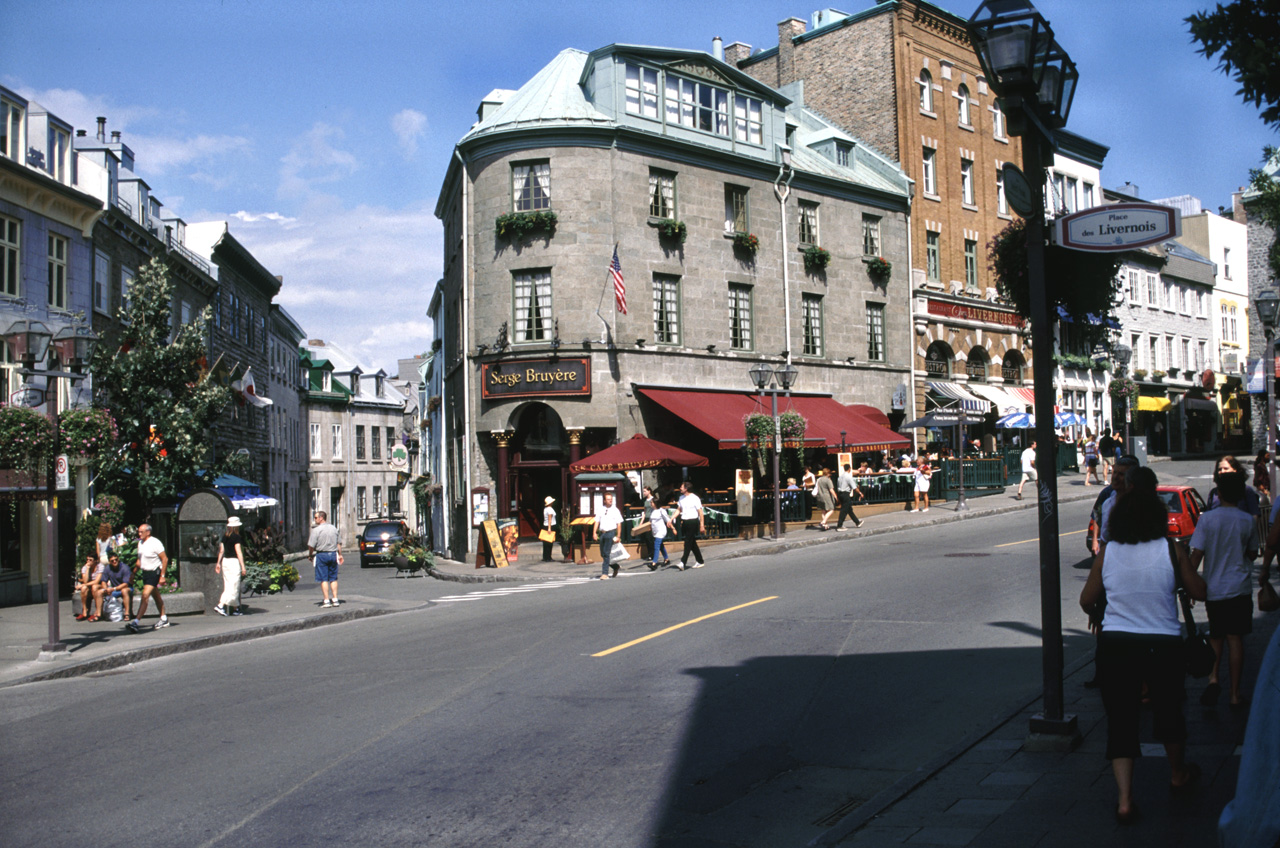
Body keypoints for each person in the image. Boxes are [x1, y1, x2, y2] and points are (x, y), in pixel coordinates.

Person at [1079, 466, 1207, 825]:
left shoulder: (1109, 552)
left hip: (1117, 645)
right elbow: (1198, 591)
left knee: (1121, 720)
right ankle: (1178, 773)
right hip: (1163, 644)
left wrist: (1100, 609)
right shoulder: (1171, 550)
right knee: (1168, 713)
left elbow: (1086, 598)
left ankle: (1124, 799)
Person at [1189, 470, 1259, 709]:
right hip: (1239, 587)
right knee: (1235, 639)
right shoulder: (1247, 520)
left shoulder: (1207, 520)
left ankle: (1213, 678)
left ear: (1218, 493)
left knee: (1216, 636)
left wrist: (1188, 583)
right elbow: (1252, 553)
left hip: (1214, 589)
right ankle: (1235, 694)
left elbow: (1196, 554)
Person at [127, 523, 169, 632]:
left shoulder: (155, 542)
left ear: (148, 532)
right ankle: (164, 618)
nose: (139, 534)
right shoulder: (140, 543)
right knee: (156, 596)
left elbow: (165, 559)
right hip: (145, 573)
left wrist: (162, 576)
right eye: (139, 532)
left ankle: (136, 622)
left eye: (141, 532)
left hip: (154, 572)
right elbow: (139, 560)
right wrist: (133, 573)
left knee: (145, 595)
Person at [307, 510, 343, 607]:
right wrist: (340, 555)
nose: (314, 519)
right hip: (332, 554)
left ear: (321, 518)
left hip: (322, 555)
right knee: (333, 578)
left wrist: (310, 555)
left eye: (315, 517)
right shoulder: (334, 528)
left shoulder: (316, 530)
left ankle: (326, 600)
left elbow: (311, 545)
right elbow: (338, 543)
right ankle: (335, 599)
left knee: (323, 579)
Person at [214, 516, 247, 617]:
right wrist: (243, 566)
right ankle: (220, 605)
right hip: (233, 562)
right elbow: (238, 552)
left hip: (225, 561)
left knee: (229, 584)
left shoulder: (225, 536)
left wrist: (218, 563)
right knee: (234, 586)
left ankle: (236, 608)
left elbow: (221, 551)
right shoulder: (236, 537)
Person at [592, 492, 624, 579]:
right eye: (608, 499)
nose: (610, 501)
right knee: (603, 554)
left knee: (606, 553)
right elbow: (597, 521)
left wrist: (618, 536)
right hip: (602, 533)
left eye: (611, 499)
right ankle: (615, 566)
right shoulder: (600, 509)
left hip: (611, 532)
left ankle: (605, 573)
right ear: (604, 501)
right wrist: (594, 533)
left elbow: (619, 524)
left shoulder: (615, 510)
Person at [677, 481, 705, 570]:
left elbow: (700, 512)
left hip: (693, 521)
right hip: (685, 521)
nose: (680, 488)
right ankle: (700, 561)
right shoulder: (681, 498)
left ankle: (683, 562)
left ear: (686, 488)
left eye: (681, 487)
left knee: (687, 542)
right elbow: (678, 510)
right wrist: (670, 519)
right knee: (692, 542)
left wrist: (702, 525)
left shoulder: (695, 498)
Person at [99, 553, 132, 622]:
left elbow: (126, 584)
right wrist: (106, 589)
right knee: (99, 592)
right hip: (114, 589)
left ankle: (127, 614)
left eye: (116, 559)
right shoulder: (108, 568)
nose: (114, 561)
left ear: (118, 559)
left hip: (126, 588)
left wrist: (113, 589)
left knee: (124, 591)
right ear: (109, 561)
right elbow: (103, 581)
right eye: (112, 561)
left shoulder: (125, 568)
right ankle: (99, 614)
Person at [835, 463, 864, 530]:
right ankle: (839, 525)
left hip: (840, 493)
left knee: (849, 509)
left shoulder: (840, 477)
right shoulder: (848, 477)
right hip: (845, 494)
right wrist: (860, 493)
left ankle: (857, 522)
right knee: (844, 510)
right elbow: (854, 487)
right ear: (849, 469)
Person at [75, 555, 103, 621]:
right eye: (87, 559)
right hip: (89, 586)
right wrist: (88, 569)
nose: (88, 561)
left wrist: (83, 585)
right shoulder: (85, 567)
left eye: (90, 560)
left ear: (95, 560)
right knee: (84, 588)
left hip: (99, 585)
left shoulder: (100, 566)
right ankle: (85, 610)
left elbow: (97, 581)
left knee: (94, 587)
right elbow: (85, 581)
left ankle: (97, 611)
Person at [649, 501, 673, 570]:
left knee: (656, 545)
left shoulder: (661, 511)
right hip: (655, 531)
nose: (651, 504)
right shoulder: (652, 511)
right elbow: (651, 521)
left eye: (652, 502)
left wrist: (673, 528)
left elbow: (667, 520)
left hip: (661, 530)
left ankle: (654, 563)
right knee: (661, 546)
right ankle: (666, 559)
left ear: (655, 503)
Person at [542, 496, 557, 562]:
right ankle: (548, 557)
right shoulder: (550, 509)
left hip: (545, 525)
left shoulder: (545, 509)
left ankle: (545, 556)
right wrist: (549, 528)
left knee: (545, 543)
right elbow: (550, 519)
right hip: (550, 526)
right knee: (549, 542)